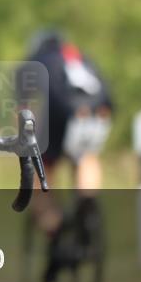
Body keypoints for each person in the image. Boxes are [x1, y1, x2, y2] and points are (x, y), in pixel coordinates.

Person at [17, 31, 113, 236]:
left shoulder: (36, 59)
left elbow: (23, 107)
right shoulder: (79, 56)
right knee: (87, 157)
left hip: (63, 110)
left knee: (42, 166)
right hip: (99, 111)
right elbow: (105, 89)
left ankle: (53, 226)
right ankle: (87, 203)